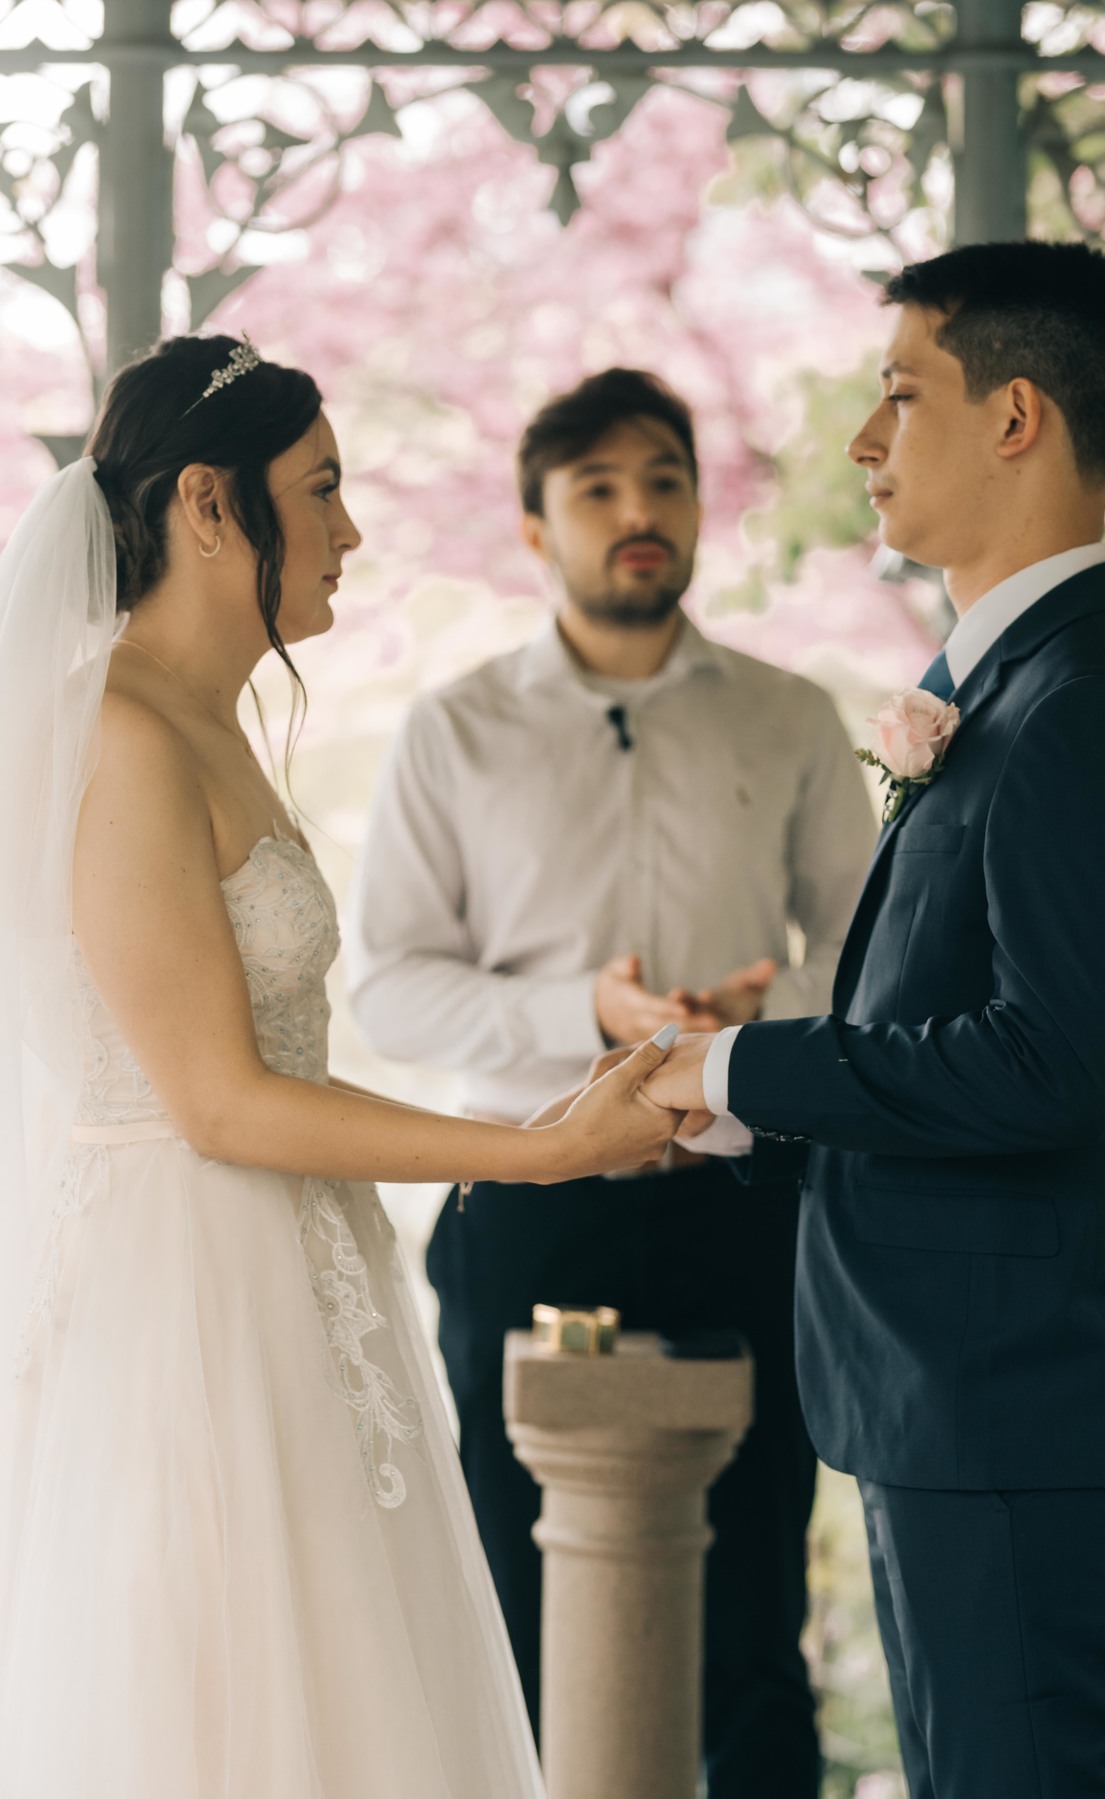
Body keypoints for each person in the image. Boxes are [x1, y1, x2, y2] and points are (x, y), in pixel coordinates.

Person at [0, 335, 683, 1798]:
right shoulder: (122, 735)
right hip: (185, 1306)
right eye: (320, 489)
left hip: (301, 1275)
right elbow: (220, 1100)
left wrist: (556, 1112)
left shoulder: (214, 720)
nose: (353, 531)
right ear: (206, 503)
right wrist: (540, 1147)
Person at [644, 241, 1105, 1799]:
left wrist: (750, 1057)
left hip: (1014, 1391)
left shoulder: (1086, 707)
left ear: (1015, 416)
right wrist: (743, 1102)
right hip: (957, 1386)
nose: (864, 442)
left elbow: (1052, 1062)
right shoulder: (1019, 683)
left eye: (900, 394)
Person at [347, 367, 876, 1798]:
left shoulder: (790, 717)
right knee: (514, 1613)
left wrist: (731, 1048)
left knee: (758, 1613)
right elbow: (387, 980)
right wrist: (582, 1010)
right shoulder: (454, 730)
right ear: (536, 530)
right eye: (598, 489)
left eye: (663, 481)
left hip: (742, 1210)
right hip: (530, 1213)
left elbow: (864, 955)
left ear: (701, 507)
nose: (638, 514)